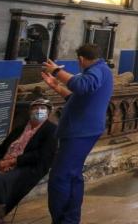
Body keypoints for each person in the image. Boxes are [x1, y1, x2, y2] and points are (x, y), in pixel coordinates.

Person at [40, 44, 114, 224]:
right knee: (72, 175)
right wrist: (57, 87)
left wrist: (57, 71)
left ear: (81, 59)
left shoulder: (97, 70)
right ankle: (70, 219)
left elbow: (82, 85)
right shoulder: (100, 70)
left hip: (80, 131)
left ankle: (62, 220)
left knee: (60, 177)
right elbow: (77, 97)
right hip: (82, 130)